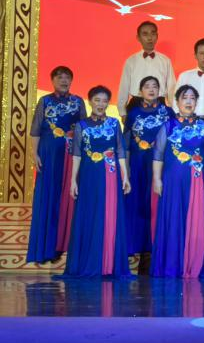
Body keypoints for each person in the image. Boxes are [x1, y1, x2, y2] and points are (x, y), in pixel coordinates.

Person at [63, 85, 131, 278]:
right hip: (88, 175)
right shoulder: (81, 126)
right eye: (97, 100)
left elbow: (120, 151)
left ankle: (108, 264)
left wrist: (125, 176)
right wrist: (73, 181)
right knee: (90, 215)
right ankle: (89, 262)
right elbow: (77, 154)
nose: (101, 104)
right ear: (90, 101)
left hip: (110, 174)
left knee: (109, 214)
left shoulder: (114, 124)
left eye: (104, 101)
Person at [151, 84, 204, 278]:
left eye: (192, 98)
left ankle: (194, 263)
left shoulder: (203, 127)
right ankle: (172, 265)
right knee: (173, 219)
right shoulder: (168, 126)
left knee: (196, 220)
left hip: (196, 180)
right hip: (172, 181)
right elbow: (158, 154)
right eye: (184, 98)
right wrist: (157, 179)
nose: (189, 101)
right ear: (177, 102)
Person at [27, 65, 86, 264]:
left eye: (67, 77)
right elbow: (35, 130)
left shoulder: (78, 102)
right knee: (48, 198)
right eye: (59, 77)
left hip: (70, 157)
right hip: (49, 156)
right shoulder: (44, 101)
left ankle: (62, 246)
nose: (63, 80)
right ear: (52, 80)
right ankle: (44, 248)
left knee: (66, 199)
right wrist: (35, 154)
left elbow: (84, 130)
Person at [124, 76, 170, 256]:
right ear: (140, 91)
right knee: (138, 201)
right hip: (138, 162)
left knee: (158, 201)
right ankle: (136, 243)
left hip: (162, 164)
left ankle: (158, 241)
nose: (151, 90)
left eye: (155, 86)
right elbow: (126, 143)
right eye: (147, 86)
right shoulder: (133, 113)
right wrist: (126, 168)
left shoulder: (168, 112)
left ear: (160, 90)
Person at [117, 20, 175, 115]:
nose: (149, 38)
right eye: (145, 34)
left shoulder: (165, 60)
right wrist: (122, 112)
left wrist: (175, 110)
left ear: (157, 36)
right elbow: (124, 87)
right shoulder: (131, 61)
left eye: (153, 33)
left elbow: (171, 87)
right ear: (138, 38)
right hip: (136, 105)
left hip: (159, 105)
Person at [173, 38, 204, 122]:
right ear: (195, 55)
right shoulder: (184, 76)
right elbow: (176, 102)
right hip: (188, 121)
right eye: (201, 53)